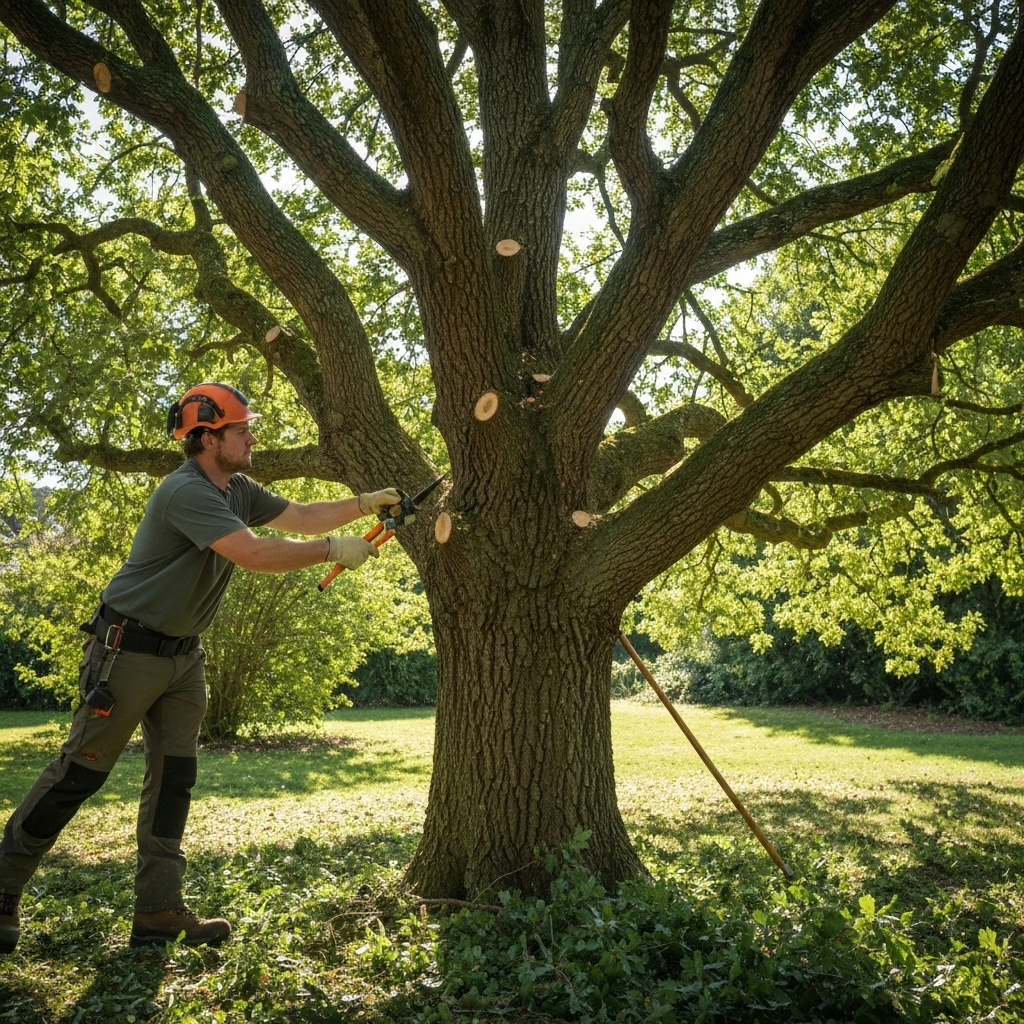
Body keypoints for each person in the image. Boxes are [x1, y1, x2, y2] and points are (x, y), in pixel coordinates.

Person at [0, 383, 399, 952]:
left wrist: (363, 503)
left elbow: (302, 516)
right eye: (242, 431)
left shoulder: (237, 488)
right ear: (208, 439)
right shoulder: (186, 491)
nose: (252, 439)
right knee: (78, 775)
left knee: (174, 782)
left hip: (185, 658)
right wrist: (334, 549)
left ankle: (158, 910)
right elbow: (253, 553)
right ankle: (3, 888)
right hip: (127, 651)